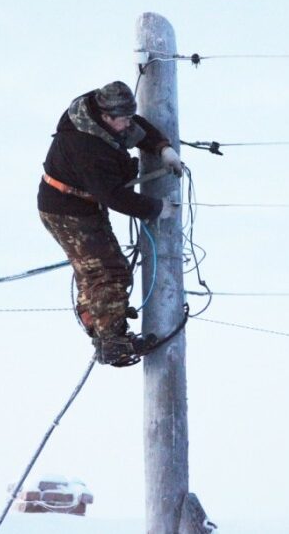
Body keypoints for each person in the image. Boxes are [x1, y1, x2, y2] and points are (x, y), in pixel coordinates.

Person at [37, 81, 181, 367]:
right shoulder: (88, 148)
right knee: (109, 273)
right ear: (105, 117)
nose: (128, 123)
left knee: (101, 269)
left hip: (83, 204)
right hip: (66, 210)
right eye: (122, 118)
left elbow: (135, 126)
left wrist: (162, 147)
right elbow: (115, 196)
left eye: (129, 115)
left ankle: (98, 323)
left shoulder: (97, 114)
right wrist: (157, 208)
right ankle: (112, 343)